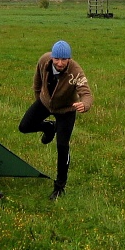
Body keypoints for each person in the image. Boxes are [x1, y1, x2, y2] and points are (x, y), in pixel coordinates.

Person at [18, 40, 93, 200]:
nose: (60, 63)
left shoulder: (76, 72)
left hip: (67, 109)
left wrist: (84, 105)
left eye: (64, 59)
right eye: (57, 59)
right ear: (52, 57)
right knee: (24, 126)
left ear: (69, 59)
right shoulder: (44, 60)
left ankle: (59, 187)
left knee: (62, 146)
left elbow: (86, 93)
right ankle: (49, 127)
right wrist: (39, 98)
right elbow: (37, 81)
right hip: (45, 102)